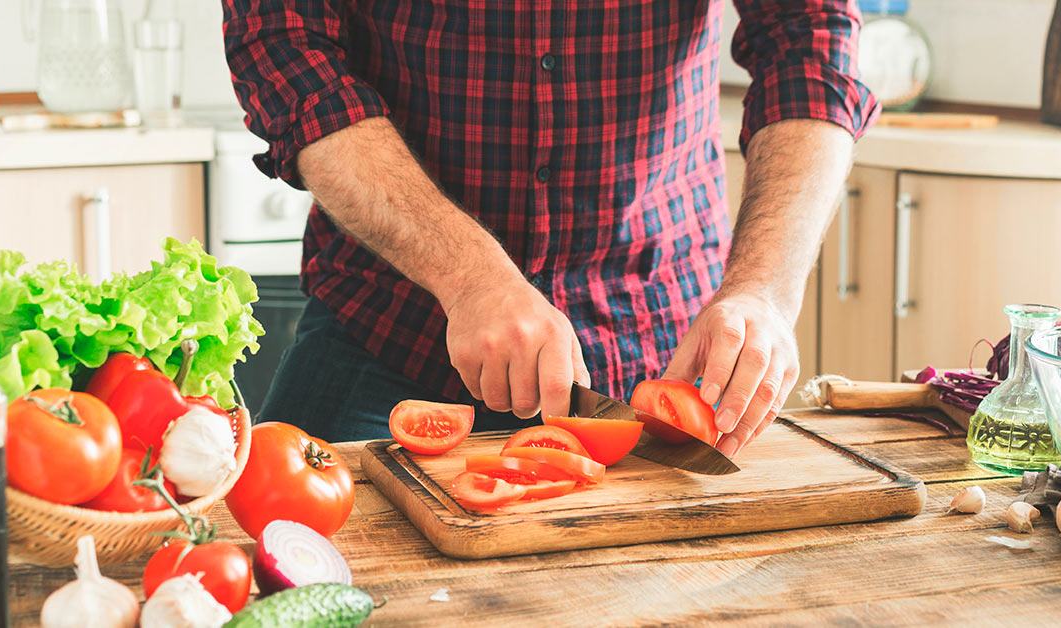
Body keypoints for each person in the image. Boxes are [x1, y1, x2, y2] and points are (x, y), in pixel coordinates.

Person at [221, 0, 878, 456]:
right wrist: (469, 275)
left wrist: (764, 290)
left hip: (660, 350)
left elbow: (810, 43)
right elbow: (285, 43)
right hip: (389, 331)